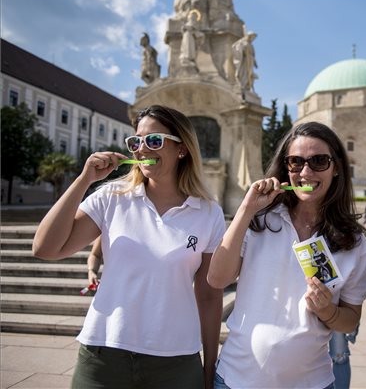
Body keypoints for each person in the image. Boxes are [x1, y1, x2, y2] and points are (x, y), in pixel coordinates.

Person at [32, 105, 226, 389]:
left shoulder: (208, 213)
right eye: (136, 142)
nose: (142, 150)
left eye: (154, 141)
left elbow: (209, 296)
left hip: (176, 362)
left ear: (182, 149)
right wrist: (84, 180)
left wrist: (210, 365)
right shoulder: (112, 197)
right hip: (103, 355)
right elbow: (45, 248)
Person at [207, 121, 366, 388]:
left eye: (318, 161)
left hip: (312, 382)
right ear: (286, 168)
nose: (306, 172)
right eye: (296, 162)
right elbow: (217, 279)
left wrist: (327, 310)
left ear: (337, 167)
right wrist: (246, 209)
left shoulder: (353, 243)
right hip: (236, 379)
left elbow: (350, 320)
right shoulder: (260, 220)